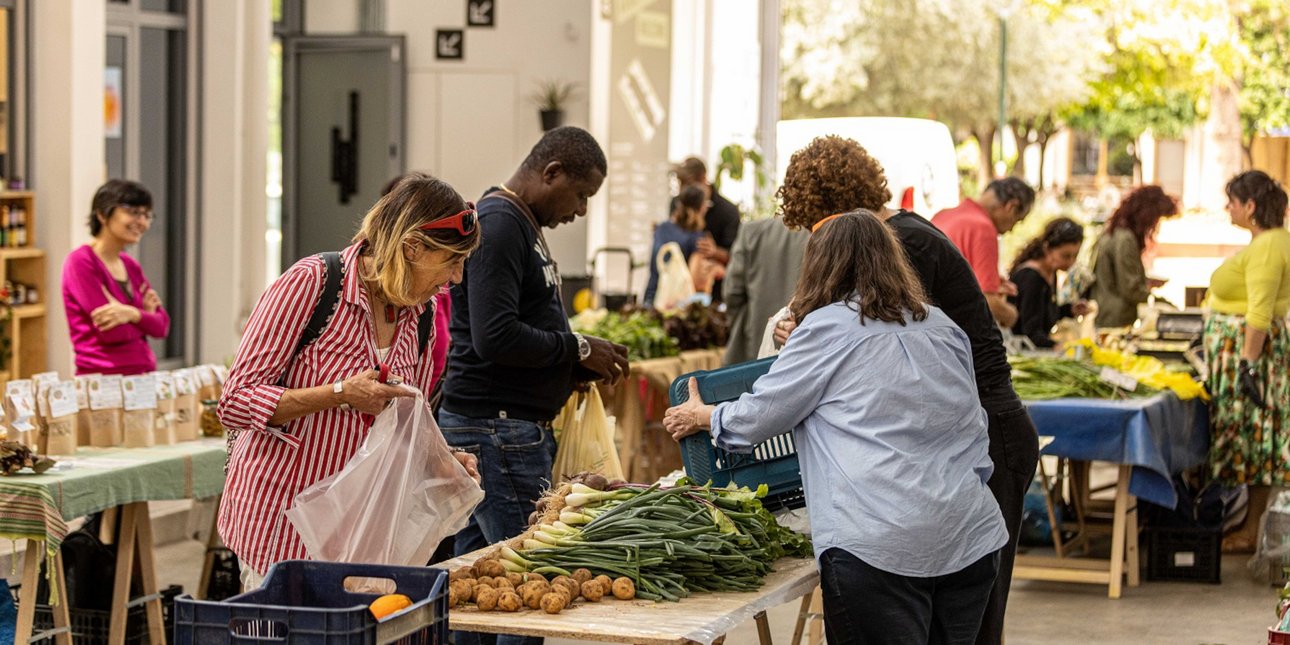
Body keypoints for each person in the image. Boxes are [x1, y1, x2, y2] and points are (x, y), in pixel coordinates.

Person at [665, 210, 1006, 645]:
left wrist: (704, 415)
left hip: (879, 546)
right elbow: (974, 428)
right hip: (970, 535)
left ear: (821, 266)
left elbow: (760, 416)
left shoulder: (826, 328)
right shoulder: (942, 326)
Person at [772, 135, 1036, 645]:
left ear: (835, 213)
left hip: (990, 433)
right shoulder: (905, 233)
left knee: (975, 625)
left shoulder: (902, 244)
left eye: (818, 227)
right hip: (982, 429)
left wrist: (805, 334)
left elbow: (875, 341)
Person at [217, 173, 482, 590]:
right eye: (452, 261)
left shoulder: (422, 314)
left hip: (358, 532)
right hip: (280, 527)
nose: (458, 277)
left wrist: (442, 460)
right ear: (412, 247)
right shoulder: (313, 283)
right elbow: (235, 401)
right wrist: (339, 393)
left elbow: (404, 421)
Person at [439, 126, 629, 645]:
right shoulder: (501, 224)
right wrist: (577, 348)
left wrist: (571, 365)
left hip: (498, 428)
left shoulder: (518, 222)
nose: (581, 210)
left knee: (477, 583)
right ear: (552, 173)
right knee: (530, 582)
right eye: (581, 194)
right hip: (496, 430)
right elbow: (494, 335)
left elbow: (516, 331)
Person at [1204, 170, 1290, 552]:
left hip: (1254, 357)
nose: (1229, 208)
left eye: (1233, 202)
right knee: (1255, 441)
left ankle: (1252, 531)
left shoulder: (1269, 246)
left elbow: (1259, 312)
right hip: (1253, 355)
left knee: (1255, 441)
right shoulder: (1270, 242)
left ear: (1250, 206)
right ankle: (1250, 525)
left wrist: (1247, 366)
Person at [62, 179, 170, 375]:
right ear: (103, 214)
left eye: (146, 215)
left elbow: (162, 326)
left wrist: (132, 314)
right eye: (133, 212)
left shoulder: (130, 265)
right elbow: (112, 333)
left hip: (142, 376)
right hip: (102, 381)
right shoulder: (81, 262)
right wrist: (145, 317)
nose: (142, 222)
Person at [932, 178, 1037, 329]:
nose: (1011, 230)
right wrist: (1011, 315)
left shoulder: (942, 215)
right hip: (951, 328)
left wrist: (992, 282)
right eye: (1017, 220)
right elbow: (988, 302)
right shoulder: (984, 229)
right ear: (1011, 206)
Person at [722, 213, 810, 365]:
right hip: (801, 353)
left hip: (753, 345)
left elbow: (732, 292)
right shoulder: (826, 235)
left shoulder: (752, 232)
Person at [1085, 185, 1178, 328]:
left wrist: (1145, 281)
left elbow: (1119, 275)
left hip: (1106, 311)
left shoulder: (1113, 231)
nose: (1155, 226)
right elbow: (1130, 288)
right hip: (1114, 317)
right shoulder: (1125, 239)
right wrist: (1159, 302)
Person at [1007, 217, 1089, 348]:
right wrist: (1056, 346)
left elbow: (1044, 313)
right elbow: (1030, 331)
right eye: (1065, 256)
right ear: (1048, 249)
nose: (1071, 262)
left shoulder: (1051, 273)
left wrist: (1070, 310)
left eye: (1075, 256)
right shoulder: (1031, 278)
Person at [672, 156, 741, 300]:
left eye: (688, 184)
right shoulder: (676, 203)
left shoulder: (728, 212)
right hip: (676, 293)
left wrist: (715, 252)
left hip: (714, 295)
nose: (683, 190)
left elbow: (736, 257)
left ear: (703, 179)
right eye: (680, 184)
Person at [643, 184, 709, 308]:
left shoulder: (661, 228)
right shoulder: (697, 238)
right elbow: (693, 280)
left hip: (652, 298)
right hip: (675, 306)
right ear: (701, 208)